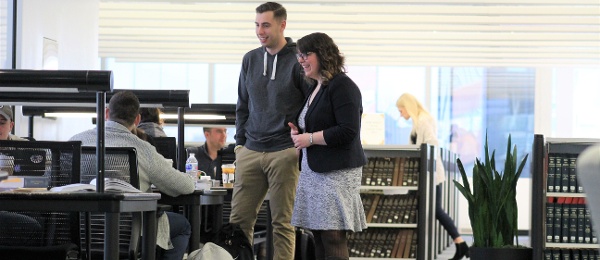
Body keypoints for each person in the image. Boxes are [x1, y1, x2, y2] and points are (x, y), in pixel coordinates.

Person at [69, 91, 195, 260]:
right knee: (183, 225)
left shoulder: (74, 141)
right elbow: (185, 186)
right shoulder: (143, 149)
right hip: (129, 234)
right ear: (137, 120)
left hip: (80, 232)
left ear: (106, 113)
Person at [231, 2, 308, 259]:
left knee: (282, 223)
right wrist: (240, 144)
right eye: (256, 25)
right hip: (250, 150)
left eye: (266, 25)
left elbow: (312, 104)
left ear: (282, 25)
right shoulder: (250, 59)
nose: (259, 31)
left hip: (284, 152)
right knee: (238, 222)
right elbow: (242, 105)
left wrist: (300, 143)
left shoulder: (298, 60)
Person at [287, 32, 367, 260]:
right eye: (299, 55)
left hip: (337, 172)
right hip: (314, 171)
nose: (301, 60)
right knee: (319, 233)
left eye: (306, 54)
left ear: (323, 54)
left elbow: (348, 131)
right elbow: (317, 122)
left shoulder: (343, 85)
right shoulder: (316, 87)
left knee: (332, 235)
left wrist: (309, 138)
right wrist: (299, 133)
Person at [396, 93, 469, 260]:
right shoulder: (417, 123)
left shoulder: (423, 121)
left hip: (431, 175)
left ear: (408, 107)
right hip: (423, 176)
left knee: (435, 210)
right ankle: (459, 244)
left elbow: (431, 143)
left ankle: (460, 243)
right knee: (422, 207)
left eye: (401, 110)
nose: (401, 114)